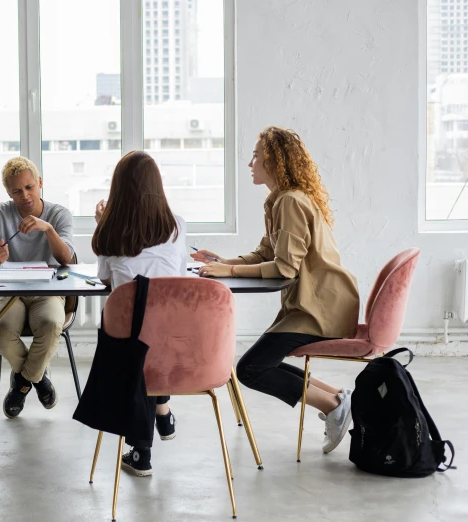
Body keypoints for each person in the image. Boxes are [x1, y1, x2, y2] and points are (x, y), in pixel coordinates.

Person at [193, 127, 359, 454]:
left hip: (321, 310)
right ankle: (338, 397)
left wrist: (229, 271)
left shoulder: (291, 202)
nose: (250, 162)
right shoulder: (279, 200)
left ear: (274, 159)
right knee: (259, 362)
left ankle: (332, 406)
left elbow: (284, 268)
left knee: (251, 369)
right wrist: (225, 261)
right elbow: (265, 253)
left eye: (256, 155)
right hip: (312, 306)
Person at [93, 150, 188, 476]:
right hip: (172, 336)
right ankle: (162, 409)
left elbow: (105, 280)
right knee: (153, 334)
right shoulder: (176, 227)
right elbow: (178, 278)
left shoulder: (110, 232)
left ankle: (142, 453)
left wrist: (102, 225)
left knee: (138, 342)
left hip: (124, 343)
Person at [0, 156, 74, 419]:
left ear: (40, 183)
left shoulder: (58, 214)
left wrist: (47, 229)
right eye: (16, 191)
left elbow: (66, 258)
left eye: (29, 187)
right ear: (8, 192)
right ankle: (38, 378)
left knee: (50, 324)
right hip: (7, 290)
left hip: (47, 290)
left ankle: (22, 383)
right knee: (0, 330)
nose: (25, 195)